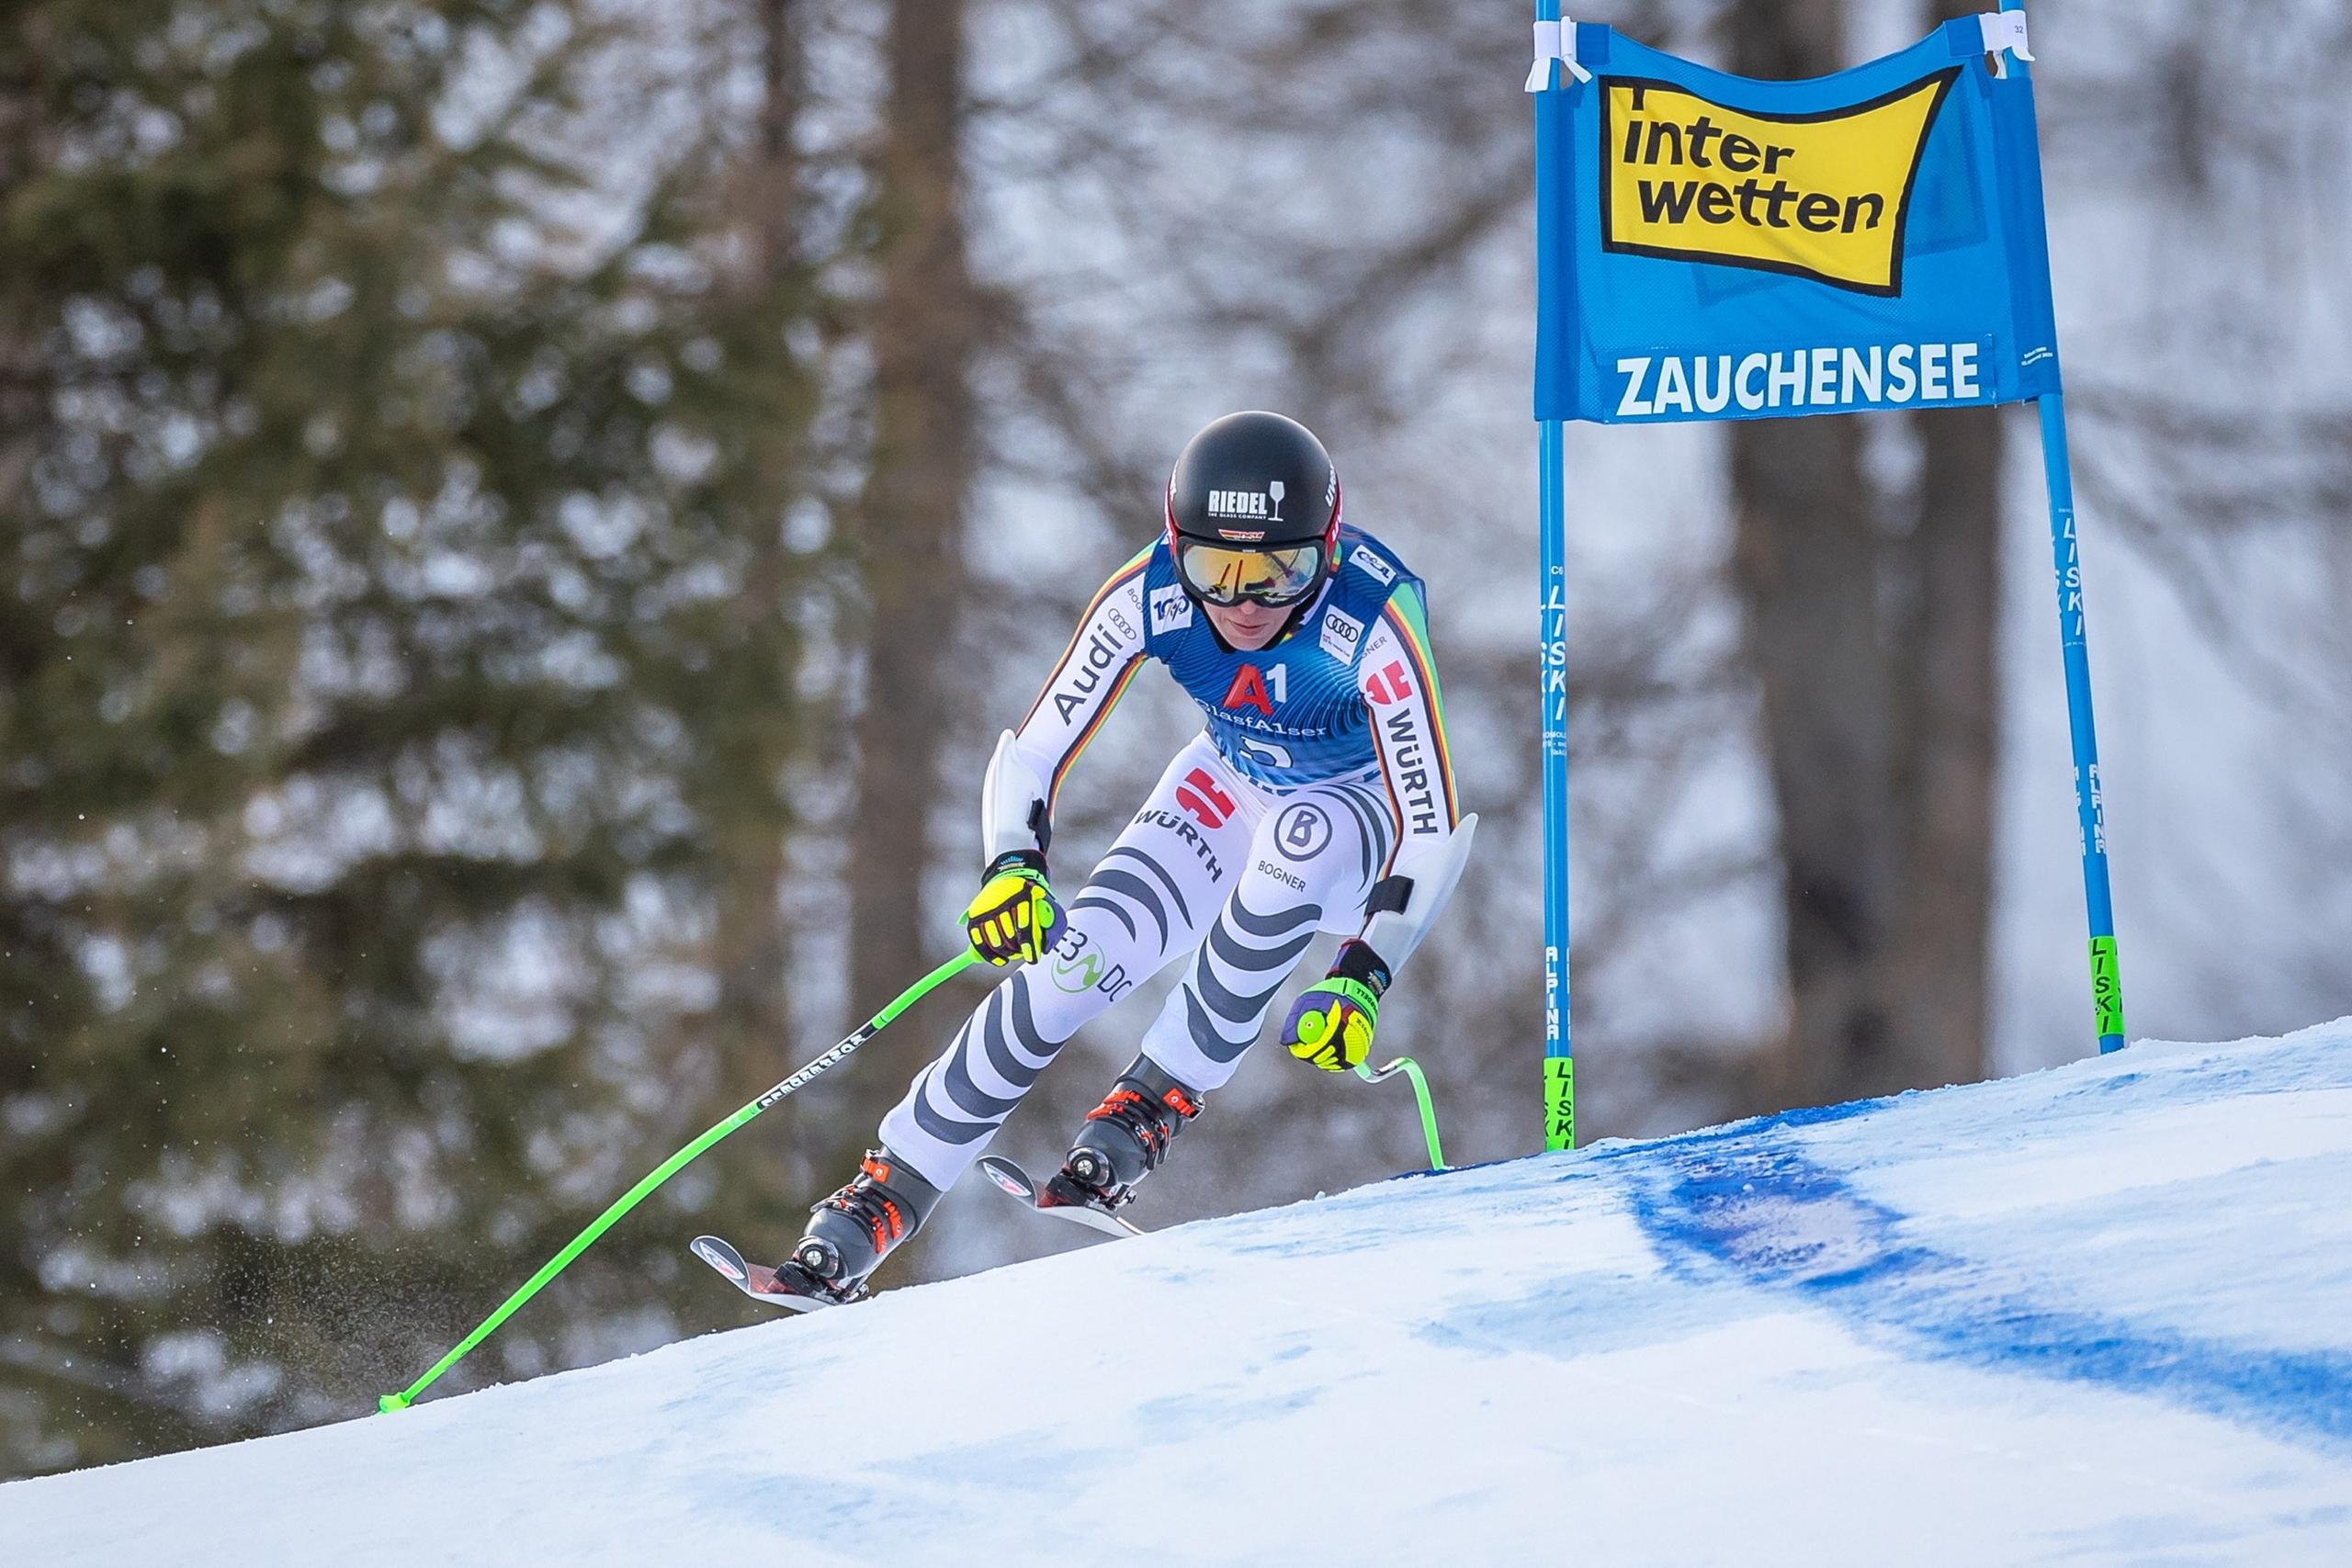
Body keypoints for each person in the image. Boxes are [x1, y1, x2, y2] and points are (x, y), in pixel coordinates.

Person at [757, 411, 1476, 1303]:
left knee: (1299, 842)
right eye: (1218, 570)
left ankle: (1151, 1103)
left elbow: (1434, 821)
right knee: (1071, 965)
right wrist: (1011, 865)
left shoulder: (1372, 615)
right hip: (1231, 781)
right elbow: (1031, 753)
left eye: (1277, 572)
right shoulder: (1150, 593)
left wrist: (1363, 969)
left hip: (1359, 816)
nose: (1245, 602)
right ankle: (885, 1192)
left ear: (1324, 552)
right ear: (1179, 549)